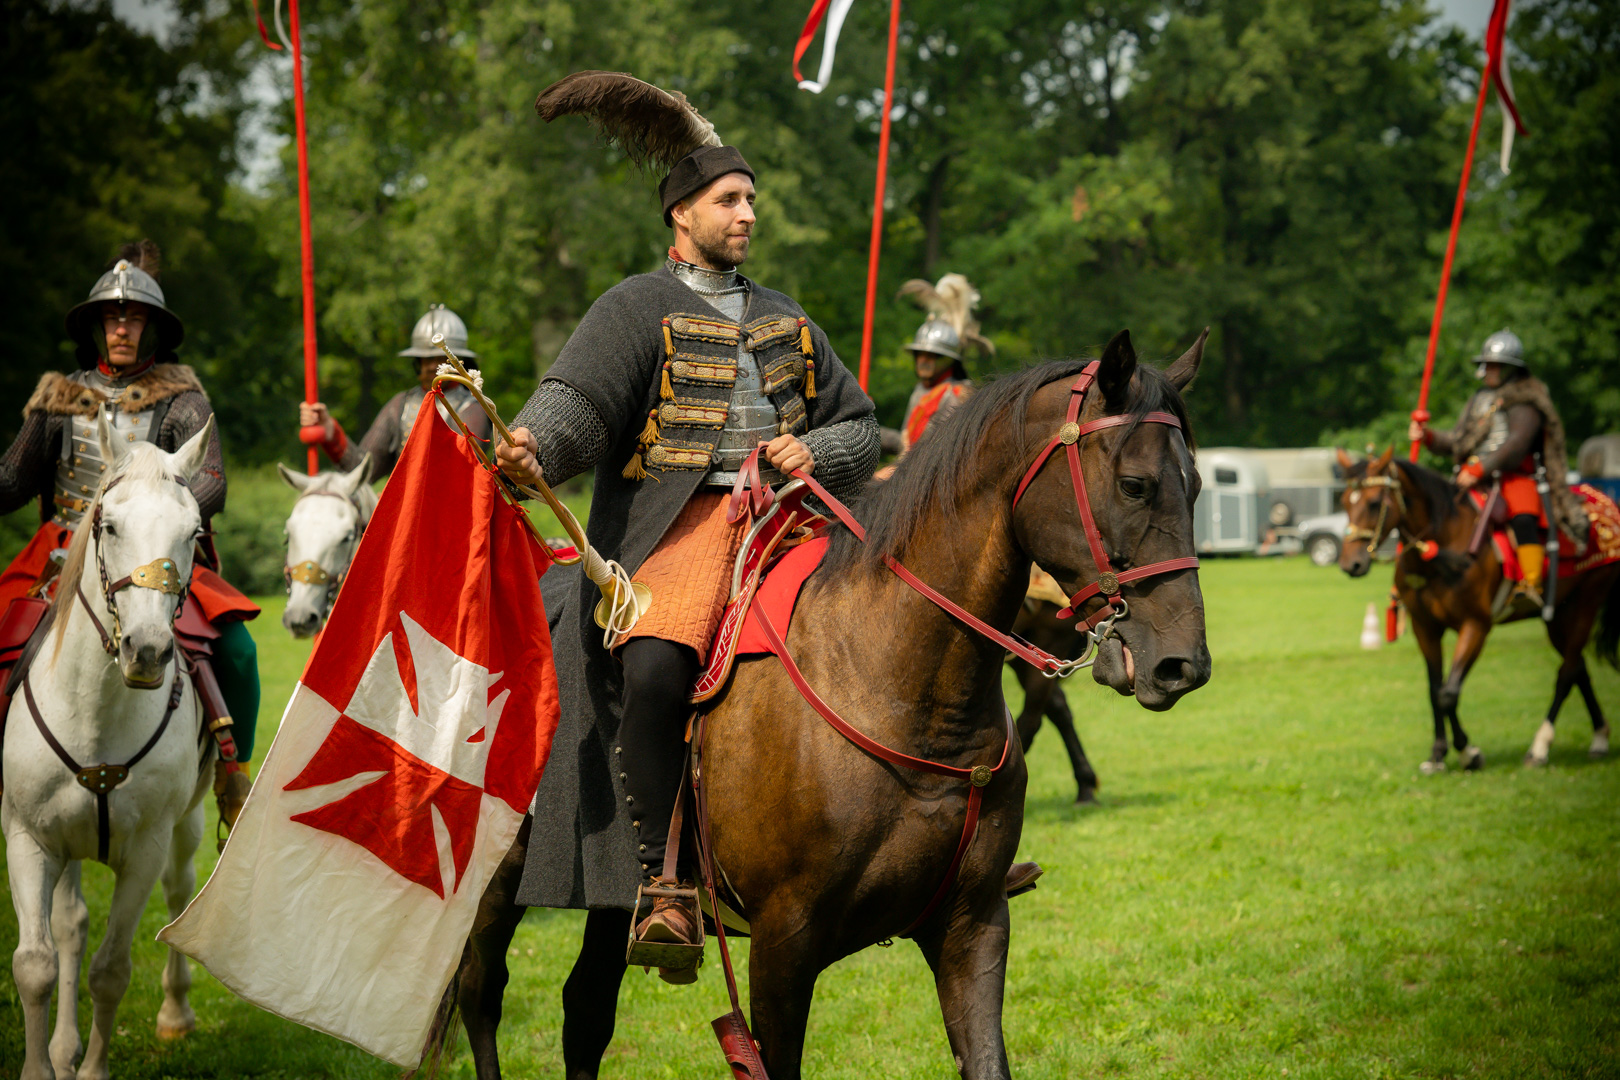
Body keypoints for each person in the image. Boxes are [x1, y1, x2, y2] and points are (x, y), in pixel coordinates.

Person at [495, 72, 880, 979]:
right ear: (681, 214)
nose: (747, 214)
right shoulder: (632, 308)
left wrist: (814, 455)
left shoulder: (789, 313)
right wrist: (533, 450)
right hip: (686, 527)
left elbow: (861, 425)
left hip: (798, 521)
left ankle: (936, 843)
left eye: (751, 199)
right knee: (658, 658)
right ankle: (661, 886)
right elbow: (576, 407)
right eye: (729, 200)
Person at [0, 242, 260, 823]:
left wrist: (162, 516)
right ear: (96, 325)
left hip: (155, 550)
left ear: (151, 329)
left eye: (134, 317)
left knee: (238, 652)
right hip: (60, 552)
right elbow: (13, 480)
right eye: (112, 317)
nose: (122, 327)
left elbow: (212, 479)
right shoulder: (59, 398)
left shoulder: (183, 398)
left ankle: (231, 774)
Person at [1410, 328, 1588, 607]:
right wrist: (1428, 436)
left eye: (1496, 365)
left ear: (1511, 369)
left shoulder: (1527, 399)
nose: (1488, 370)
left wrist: (1479, 469)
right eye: (1487, 364)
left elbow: (1514, 446)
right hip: (1471, 476)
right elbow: (1458, 440)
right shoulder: (1479, 398)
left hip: (1515, 476)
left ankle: (1531, 582)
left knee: (1523, 518)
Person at [298, 304, 494, 481]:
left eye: (441, 358)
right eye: (426, 359)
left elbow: (459, 473)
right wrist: (329, 432)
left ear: (458, 362)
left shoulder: (473, 407)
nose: (433, 366)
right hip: (403, 511)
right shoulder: (400, 404)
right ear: (417, 363)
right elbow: (362, 469)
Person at [888, 273, 993, 454]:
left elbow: (941, 449)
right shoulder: (921, 391)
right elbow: (907, 444)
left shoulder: (959, 394)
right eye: (919, 354)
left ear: (949, 360)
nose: (923, 360)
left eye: (932, 355)